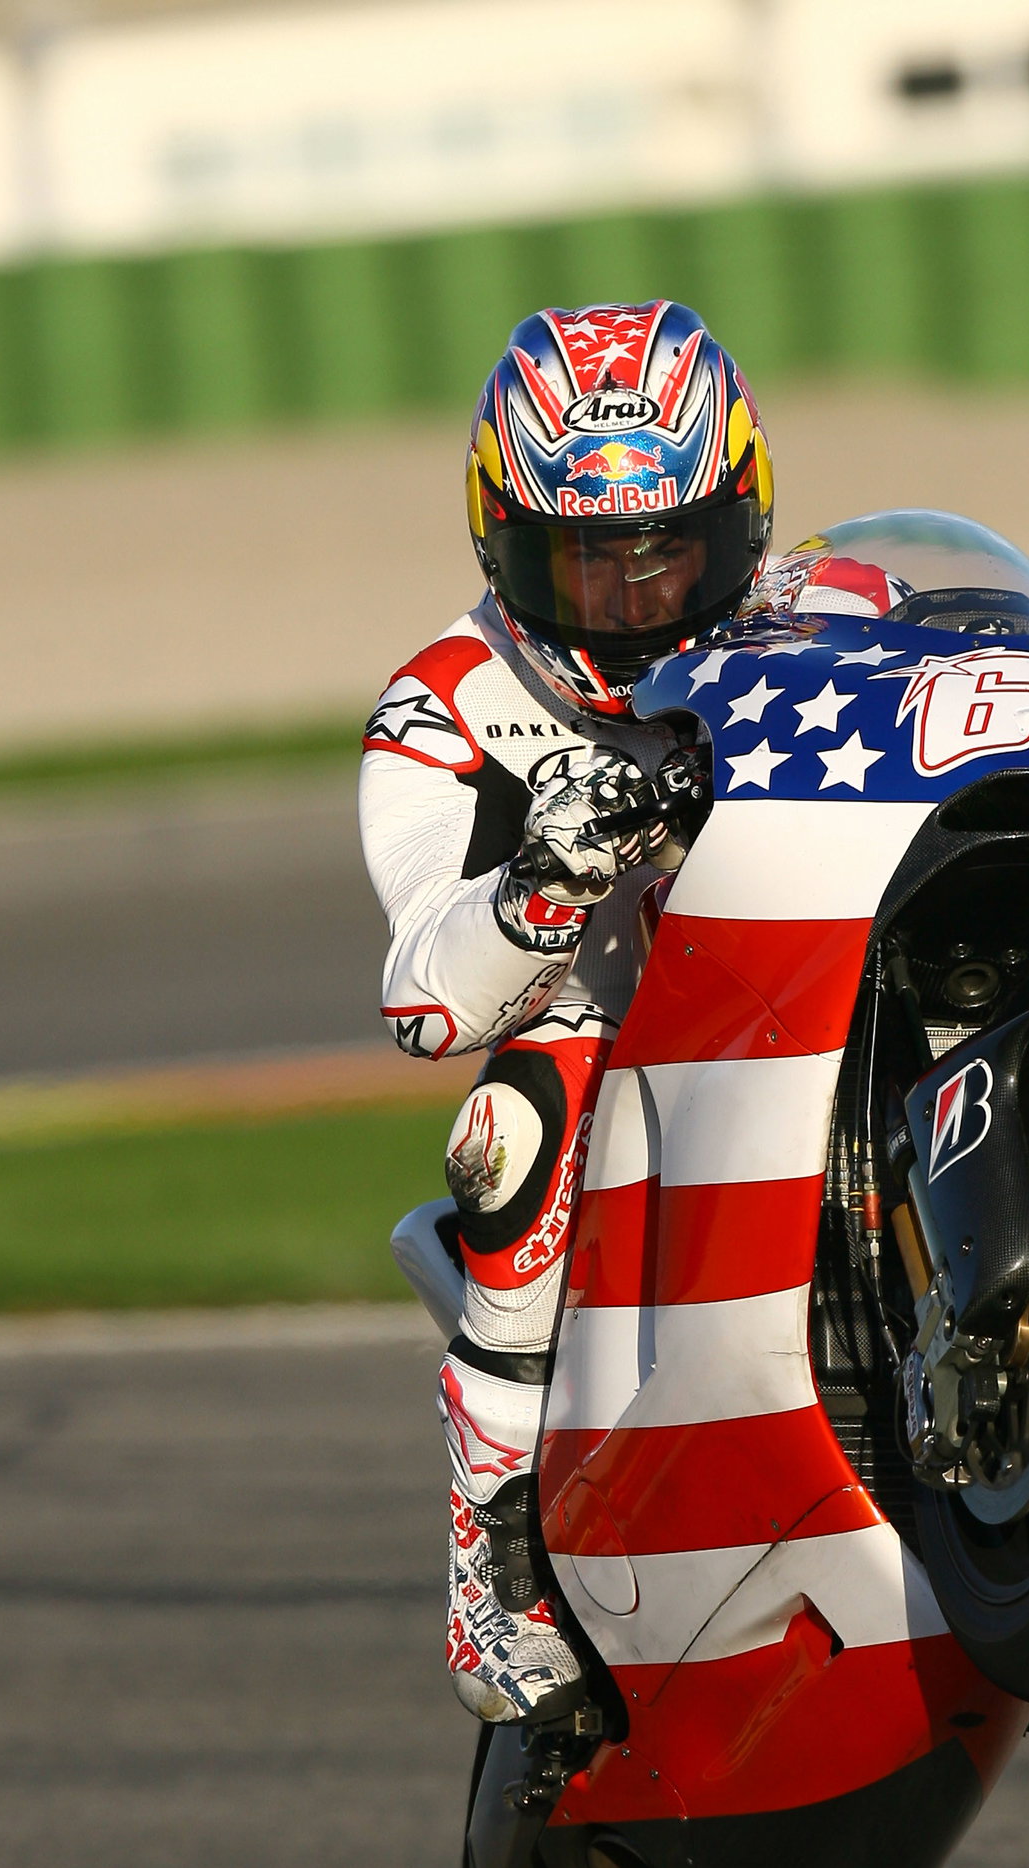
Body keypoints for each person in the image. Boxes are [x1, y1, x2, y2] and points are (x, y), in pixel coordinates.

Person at [360, 302, 786, 1725]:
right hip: (615, 1039)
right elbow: (424, 1001)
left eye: (672, 552)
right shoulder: (444, 707)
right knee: (509, 1126)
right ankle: (493, 1557)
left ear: (743, 518)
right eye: (584, 563)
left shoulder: (825, 610)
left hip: (809, 979)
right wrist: (546, 878)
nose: (636, 603)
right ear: (502, 546)